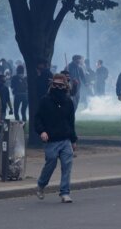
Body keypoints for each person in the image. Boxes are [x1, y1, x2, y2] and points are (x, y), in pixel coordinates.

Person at [34, 74, 77, 203]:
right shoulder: (45, 100)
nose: (58, 87)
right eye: (55, 85)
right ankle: (41, 184)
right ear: (51, 85)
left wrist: (73, 139)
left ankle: (65, 192)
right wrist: (42, 131)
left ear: (65, 86)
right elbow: (38, 118)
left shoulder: (68, 102)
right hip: (51, 140)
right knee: (51, 163)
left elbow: (71, 121)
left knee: (67, 165)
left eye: (60, 85)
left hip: (65, 139)